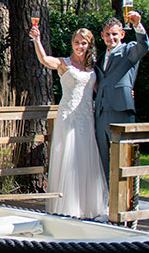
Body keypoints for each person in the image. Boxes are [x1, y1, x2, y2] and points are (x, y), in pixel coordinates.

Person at [31, 23, 108, 218]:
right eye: (76, 42)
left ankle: (87, 205)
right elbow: (44, 59)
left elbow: (101, 90)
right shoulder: (64, 63)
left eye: (83, 43)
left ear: (89, 45)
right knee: (69, 156)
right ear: (72, 43)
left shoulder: (92, 67)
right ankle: (67, 206)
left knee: (86, 156)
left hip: (86, 117)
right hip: (69, 115)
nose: (79, 46)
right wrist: (37, 40)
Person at [94, 12, 149, 185]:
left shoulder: (129, 51)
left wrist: (138, 25)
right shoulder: (100, 57)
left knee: (125, 158)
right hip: (101, 113)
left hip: (121, 111)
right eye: (108, 34)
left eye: (115, 34)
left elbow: (144, 46)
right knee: (102, 160)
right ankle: (106, 200)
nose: (111, 37)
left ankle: (128, 200)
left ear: (122, 34)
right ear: (102, 35)